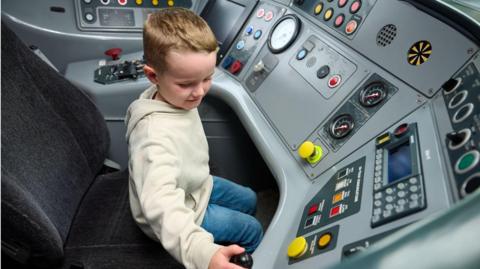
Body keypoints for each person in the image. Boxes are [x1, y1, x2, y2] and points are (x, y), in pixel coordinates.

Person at [125, 8, 263, 269]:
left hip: (195, 184)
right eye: (187, 84)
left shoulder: (169, 93)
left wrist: (187, 84)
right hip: (179, 212)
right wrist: (203, 254)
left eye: (207, 78)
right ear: (153, 76)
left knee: (251, 199)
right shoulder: (153, 138)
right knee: (252, 230)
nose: (199, 92)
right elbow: (161, 206)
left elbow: (191, 85)